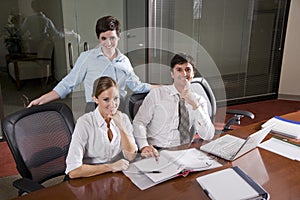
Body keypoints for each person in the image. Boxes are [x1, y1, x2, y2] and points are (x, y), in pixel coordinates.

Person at [28, 15, 156, 112]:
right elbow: (68, 83)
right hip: (95, 108)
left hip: (119, 108)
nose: (108, 43)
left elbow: (137, 86)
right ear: (98, 38)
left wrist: (165, 87)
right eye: (103, 38)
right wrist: (42, 99)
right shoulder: (87, 58)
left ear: (118, 36)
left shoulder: (124, 61)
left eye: (112, 38)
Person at [133, 53, 215, 158]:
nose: (184, 73)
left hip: (183, 152)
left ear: (193, 73)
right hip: (156, 151)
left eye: (188, 69)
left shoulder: (199, 100)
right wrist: (144, 146)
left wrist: (195, 105)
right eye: (179, 70)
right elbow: (139, 122)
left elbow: (208, 135)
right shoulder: (157, 94)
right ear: (172, 74)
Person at [65, 76, 137, 179]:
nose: (113, 105)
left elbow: (131, 156)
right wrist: (110, 167)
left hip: (115, 177)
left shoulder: (123, 118)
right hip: (91, 177)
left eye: (116, 98)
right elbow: (73, 171)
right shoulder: (84, 123)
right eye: (106, 99)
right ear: (95, 99)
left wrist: (121, 127)